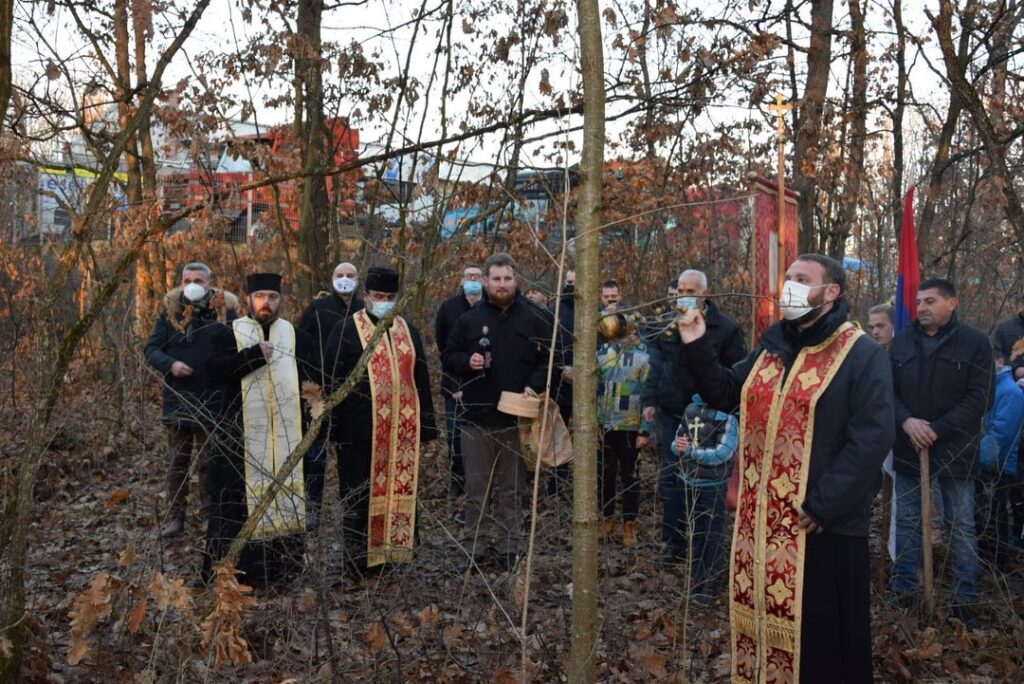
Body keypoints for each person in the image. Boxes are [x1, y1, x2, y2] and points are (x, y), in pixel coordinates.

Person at [677, 254, 895, 684]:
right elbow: (725, 394)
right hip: (762, 528)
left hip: (822, 526)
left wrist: (823, 506)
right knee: (762, 632)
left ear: (831, 293)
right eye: (788, 278)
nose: (790, 286)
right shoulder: (773, 347)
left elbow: (872, 437)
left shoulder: (860, 353)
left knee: (822, 642)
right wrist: (697, 343)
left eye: (802, 279)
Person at [889, 277, 993, 628]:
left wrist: (936, 428)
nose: (921, 308)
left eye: (930, 301)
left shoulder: (976, 344)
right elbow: (887, 392)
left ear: (952, 303)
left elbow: (981, 397)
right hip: (908, 446)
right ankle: (905, 592)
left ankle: (965, 600)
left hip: (956, 450)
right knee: (907, 520)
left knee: (960, 524)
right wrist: (906, 422)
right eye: (919, 302)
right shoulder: (901, 342)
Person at [443, 253, 558, 571]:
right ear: (485, 282)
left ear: (516, 280)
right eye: (496, 279)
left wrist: (533, 387)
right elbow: (449, 356)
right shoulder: (468, 319)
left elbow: (551, 358)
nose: (502, 284)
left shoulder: (534, 317)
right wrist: (468, 363)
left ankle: (510, 549)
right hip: (476, 419)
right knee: (477, 490)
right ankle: (474, 549)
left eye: (508, 278)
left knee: (512, 491)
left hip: (516, 421)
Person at [204, 272, 318, 585]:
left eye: (272, 297)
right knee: (234, 504)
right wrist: (253, 357)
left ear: (281, 300)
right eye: (259, 297)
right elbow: (214, 372)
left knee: (285, 498)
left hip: (287, 439)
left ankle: (282, 572)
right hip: (238, 440)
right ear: (248, 300)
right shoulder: (228, 333)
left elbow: (313, 385)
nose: (265, 303)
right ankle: (235, 573)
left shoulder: (298, 337)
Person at [325, 266, 438, 573]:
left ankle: (393, 555)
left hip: (401, 432)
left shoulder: (408, 331)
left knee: (398, 494)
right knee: (358, 496)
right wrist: (332, 428)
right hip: (358, 433)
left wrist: (427, 428)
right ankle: (357, 561)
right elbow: (332, 379)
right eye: (378, 296)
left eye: (389, 297)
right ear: (366, 296)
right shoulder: (346, 329)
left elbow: (421, 379)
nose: (383, 301)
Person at [642, 268, 746, 564]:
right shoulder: (668, 326)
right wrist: (652, 399)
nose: (684, 297)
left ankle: (706, 552)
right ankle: (673, 542)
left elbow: (735, 372)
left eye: (692, 292)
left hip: (711, 420)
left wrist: (728, 416)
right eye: (681, 290)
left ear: (705, 295)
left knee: (707, 484)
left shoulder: (726, 329)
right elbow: (657, 366)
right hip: (675, 413)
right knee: (673, 479)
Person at [145, 262, 240, 539]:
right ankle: (175, 518)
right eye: (187, 279)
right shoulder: (169, 312)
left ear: (209, 284)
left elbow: (238, 346)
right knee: (178, 462)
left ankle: (210, 516)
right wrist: (170, 363)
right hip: (178, 399)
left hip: (212, 399)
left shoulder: (225, 311)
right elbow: (151, 348)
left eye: (198, 279)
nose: (192, 284)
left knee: (210, 461)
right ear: (181, 282)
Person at [296, 261, 365, 526]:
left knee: (351, 452)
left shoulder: (363, 309)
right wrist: (306, 382)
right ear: (331, 278)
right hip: (317, 391)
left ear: (358, 280)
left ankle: (353, 504)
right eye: (340, 275)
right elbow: (300, 343)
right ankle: (312, 506)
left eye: (350, 275)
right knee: (315, 453)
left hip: (355, 393)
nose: (345, 279)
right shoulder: (318, 309)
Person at [670, 394, 738, 603]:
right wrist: (679, 447)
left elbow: (724, 452)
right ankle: (697, 583)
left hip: (713, 485)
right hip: (690, 482)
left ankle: (711, 586)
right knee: (696, 534)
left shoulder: (728, 415)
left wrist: (691, 451)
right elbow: (676, 442)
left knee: (713, 535)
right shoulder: (690, 409)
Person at [596, 321, 653, 546]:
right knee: (605, 476)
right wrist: (594, 424)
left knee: (631, 477)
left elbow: (650, 397)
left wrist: (645, 430)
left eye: (629, 332)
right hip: (606, 427)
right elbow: (593, 391)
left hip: (631, 428)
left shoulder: (643, 358)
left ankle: (630, 523)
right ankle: (606, 518)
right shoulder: (600, 355)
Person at [434, 264, 484, 502]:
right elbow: (444, 347)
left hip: (485, 384)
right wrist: (454, 384)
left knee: (483, 437)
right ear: (461, 280)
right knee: (456, 436)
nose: (472, 280)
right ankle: (457, 482)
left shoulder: (490, 307)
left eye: (476, 276)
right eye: (468, 276)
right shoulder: (449, 308)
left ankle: (481, 485)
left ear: (483, 280)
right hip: (455, 383)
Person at [977, 350, 1024, 572]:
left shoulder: (1010, 392)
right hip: (985, 463)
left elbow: (1002, 433)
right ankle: (987, 557)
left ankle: (998, 562)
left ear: (1000, 361)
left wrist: (981, 460)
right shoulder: (988, 387)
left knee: (995, 514)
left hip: (998, 465)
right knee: (984, 513)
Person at [994, 294, 1024, 382]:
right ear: (1021, 306)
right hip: (1011, 383)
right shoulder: (1005, 329)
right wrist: (1015, 369)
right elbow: (996, 354)